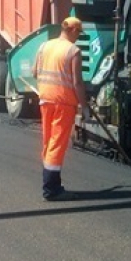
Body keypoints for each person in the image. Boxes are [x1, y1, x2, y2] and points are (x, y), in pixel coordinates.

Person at [33, 16, 91, 201]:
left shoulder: (45, 46)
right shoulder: (73, 51)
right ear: (73, 30)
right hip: (63, 104)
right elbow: (77, 83)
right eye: (78, 33)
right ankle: (51, 189)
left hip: (45, 100)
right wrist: (85, 107)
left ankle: (53, 183)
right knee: (57, 144)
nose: (78, 37)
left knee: (49, 142)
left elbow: (35, 72)